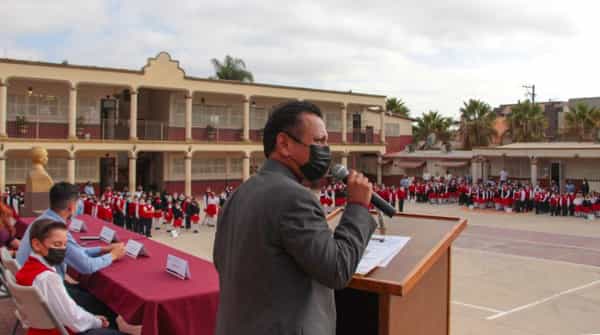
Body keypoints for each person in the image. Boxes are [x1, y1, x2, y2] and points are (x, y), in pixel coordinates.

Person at [213, 101, 376, 335]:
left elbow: (222, 261)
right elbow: (337, 269)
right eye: (319, 141)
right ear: (284, 144)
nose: (325, 150)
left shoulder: (241, 192)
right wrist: (358, 206)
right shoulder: (294, 198)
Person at [16, 182, 127, 328]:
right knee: (107, 305)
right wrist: (113, 256)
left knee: (92, 291)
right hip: (48, 294)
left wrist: (103, 250)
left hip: (35, 292)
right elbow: (86, 266)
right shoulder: (53, 229)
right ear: (72, 207)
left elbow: (77, 252)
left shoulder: (45, 220)